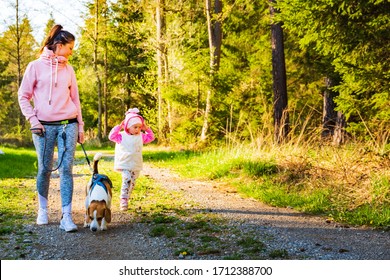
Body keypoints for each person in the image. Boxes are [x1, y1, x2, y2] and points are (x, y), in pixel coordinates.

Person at [18, 24, 84, 232]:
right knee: (44, 169)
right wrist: (33, 120)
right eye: (70, 48)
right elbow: (23, 96)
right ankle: (43, 210)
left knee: (66, 170)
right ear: (59, 45)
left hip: (68, 125)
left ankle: (66, 216)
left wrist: (80, 127)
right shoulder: (35, 66)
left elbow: (76, 99)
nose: (72, 52)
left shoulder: (69, 69)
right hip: (43, 128)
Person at [108, 108, 155, 211]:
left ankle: (127, 198)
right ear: (128, 127)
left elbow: (151, 137)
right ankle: (123, 199)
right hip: (125, 163)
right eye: (135, 127)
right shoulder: (121, 136)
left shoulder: (141, 136)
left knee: (132, 183)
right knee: (127, 179)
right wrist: (119, 126)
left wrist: (147, 129)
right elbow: (111, 136)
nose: (137, 129)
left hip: (135, 164)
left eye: (139, 127)